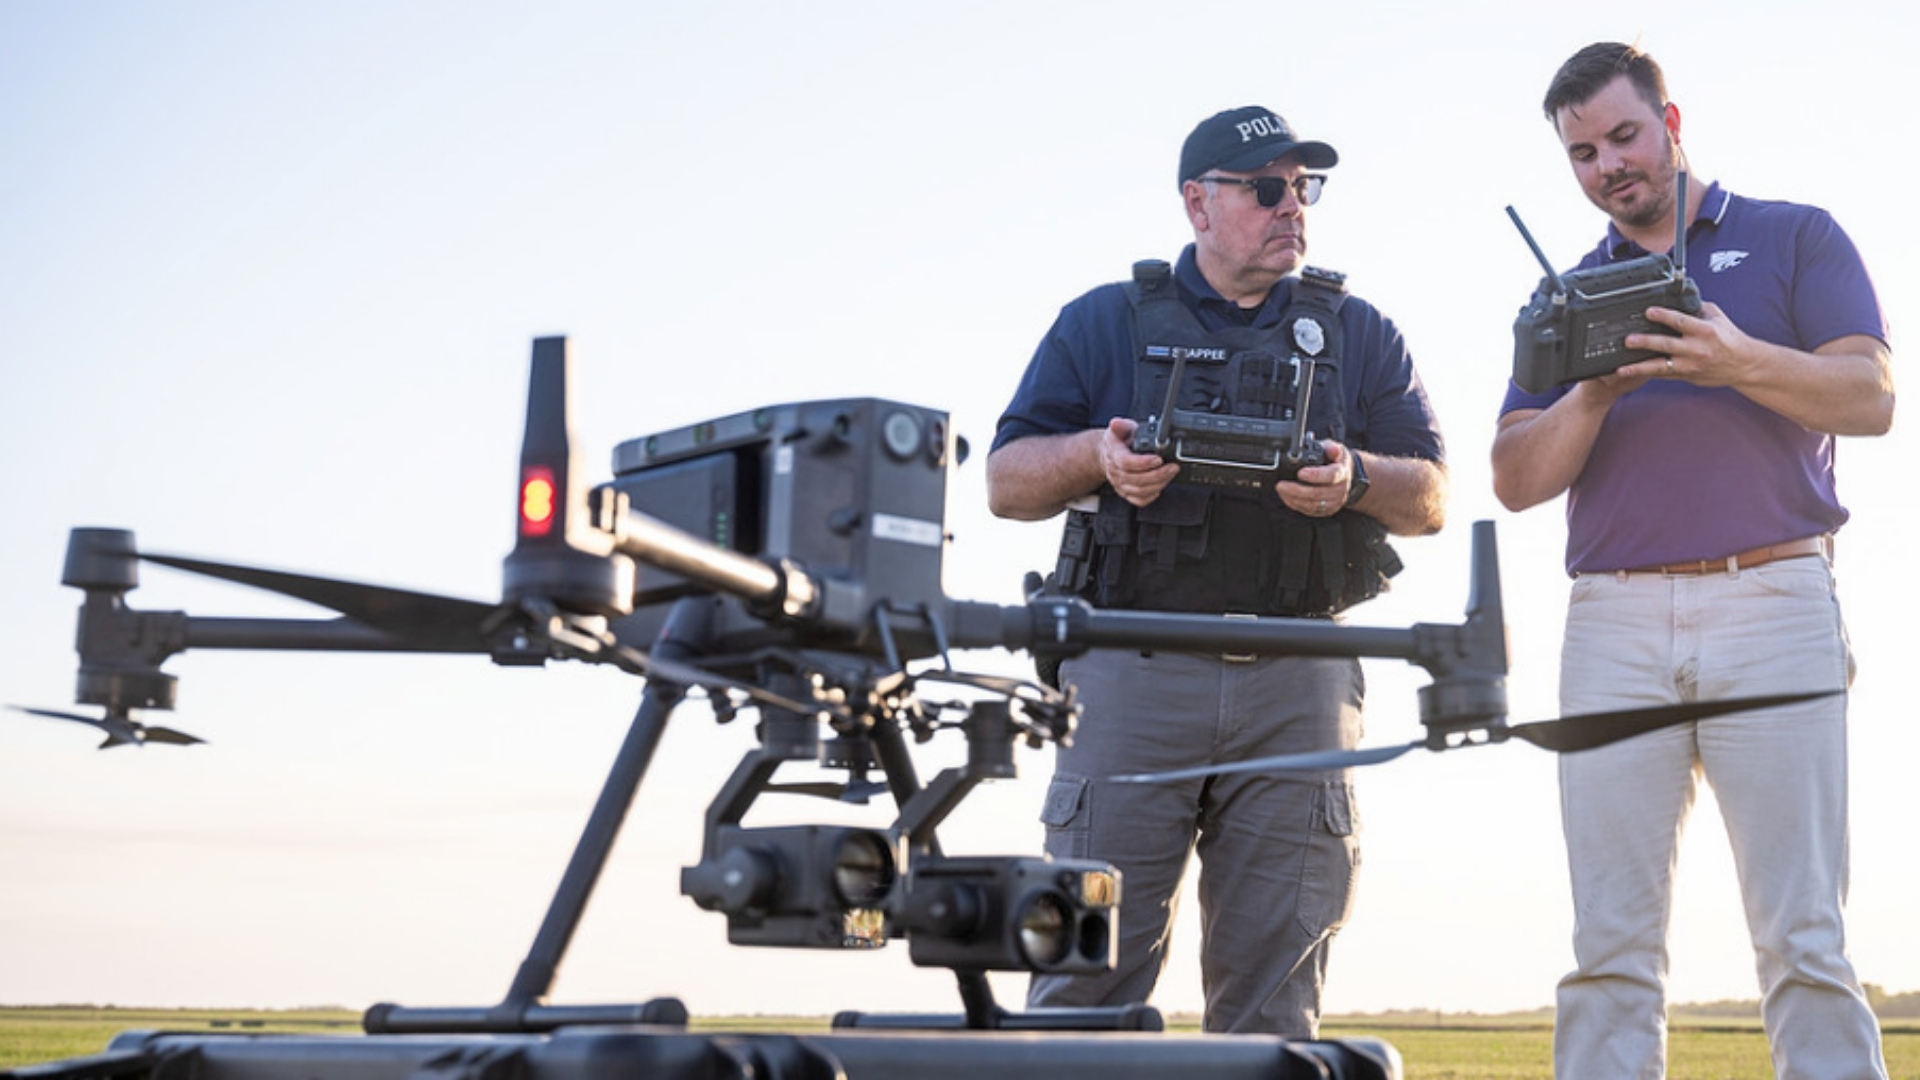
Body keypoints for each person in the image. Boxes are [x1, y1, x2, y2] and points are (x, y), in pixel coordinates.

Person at [986, 105, 1448, 1036]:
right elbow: (1005, 481)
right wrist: (1096, 455)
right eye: (1267, 189)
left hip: (1297, 676)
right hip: (1132, 670)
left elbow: (1431, 495)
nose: (1293, 208)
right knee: (1084, 977)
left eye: (1304, 188)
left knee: (1277, 997)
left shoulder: (1358, 331)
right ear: (1197, 203)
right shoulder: (1104, 321)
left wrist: (1355, 478)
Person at [1491, 42, 1894, 1080]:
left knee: (1803, 935)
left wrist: (1734, 360)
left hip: (1775, 599)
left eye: (1624, 137)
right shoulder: (1567, 291)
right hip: (1613, 624)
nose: (1607, 166)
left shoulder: (1793, 236)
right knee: (1609, 945)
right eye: (1582, 154)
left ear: (1671, 123)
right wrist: (1592, 395)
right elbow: (1515, 477)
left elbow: (1871, 397)